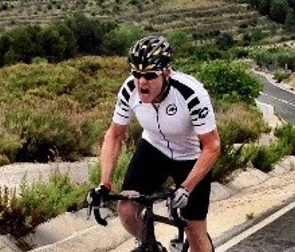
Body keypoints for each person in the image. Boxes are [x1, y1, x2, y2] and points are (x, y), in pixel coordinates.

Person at [88, 35, 220, 252]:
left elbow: (212, 145)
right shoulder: (129, 90)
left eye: (149, 75)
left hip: (191, 157)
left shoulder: (191, 93)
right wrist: (104, 184)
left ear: (166, 73)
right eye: (136, 74)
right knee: (127, 210)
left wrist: (186, 188)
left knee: (194, 231)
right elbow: (114, 135)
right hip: (154, 149)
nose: (141, 82)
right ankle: (151, 246)